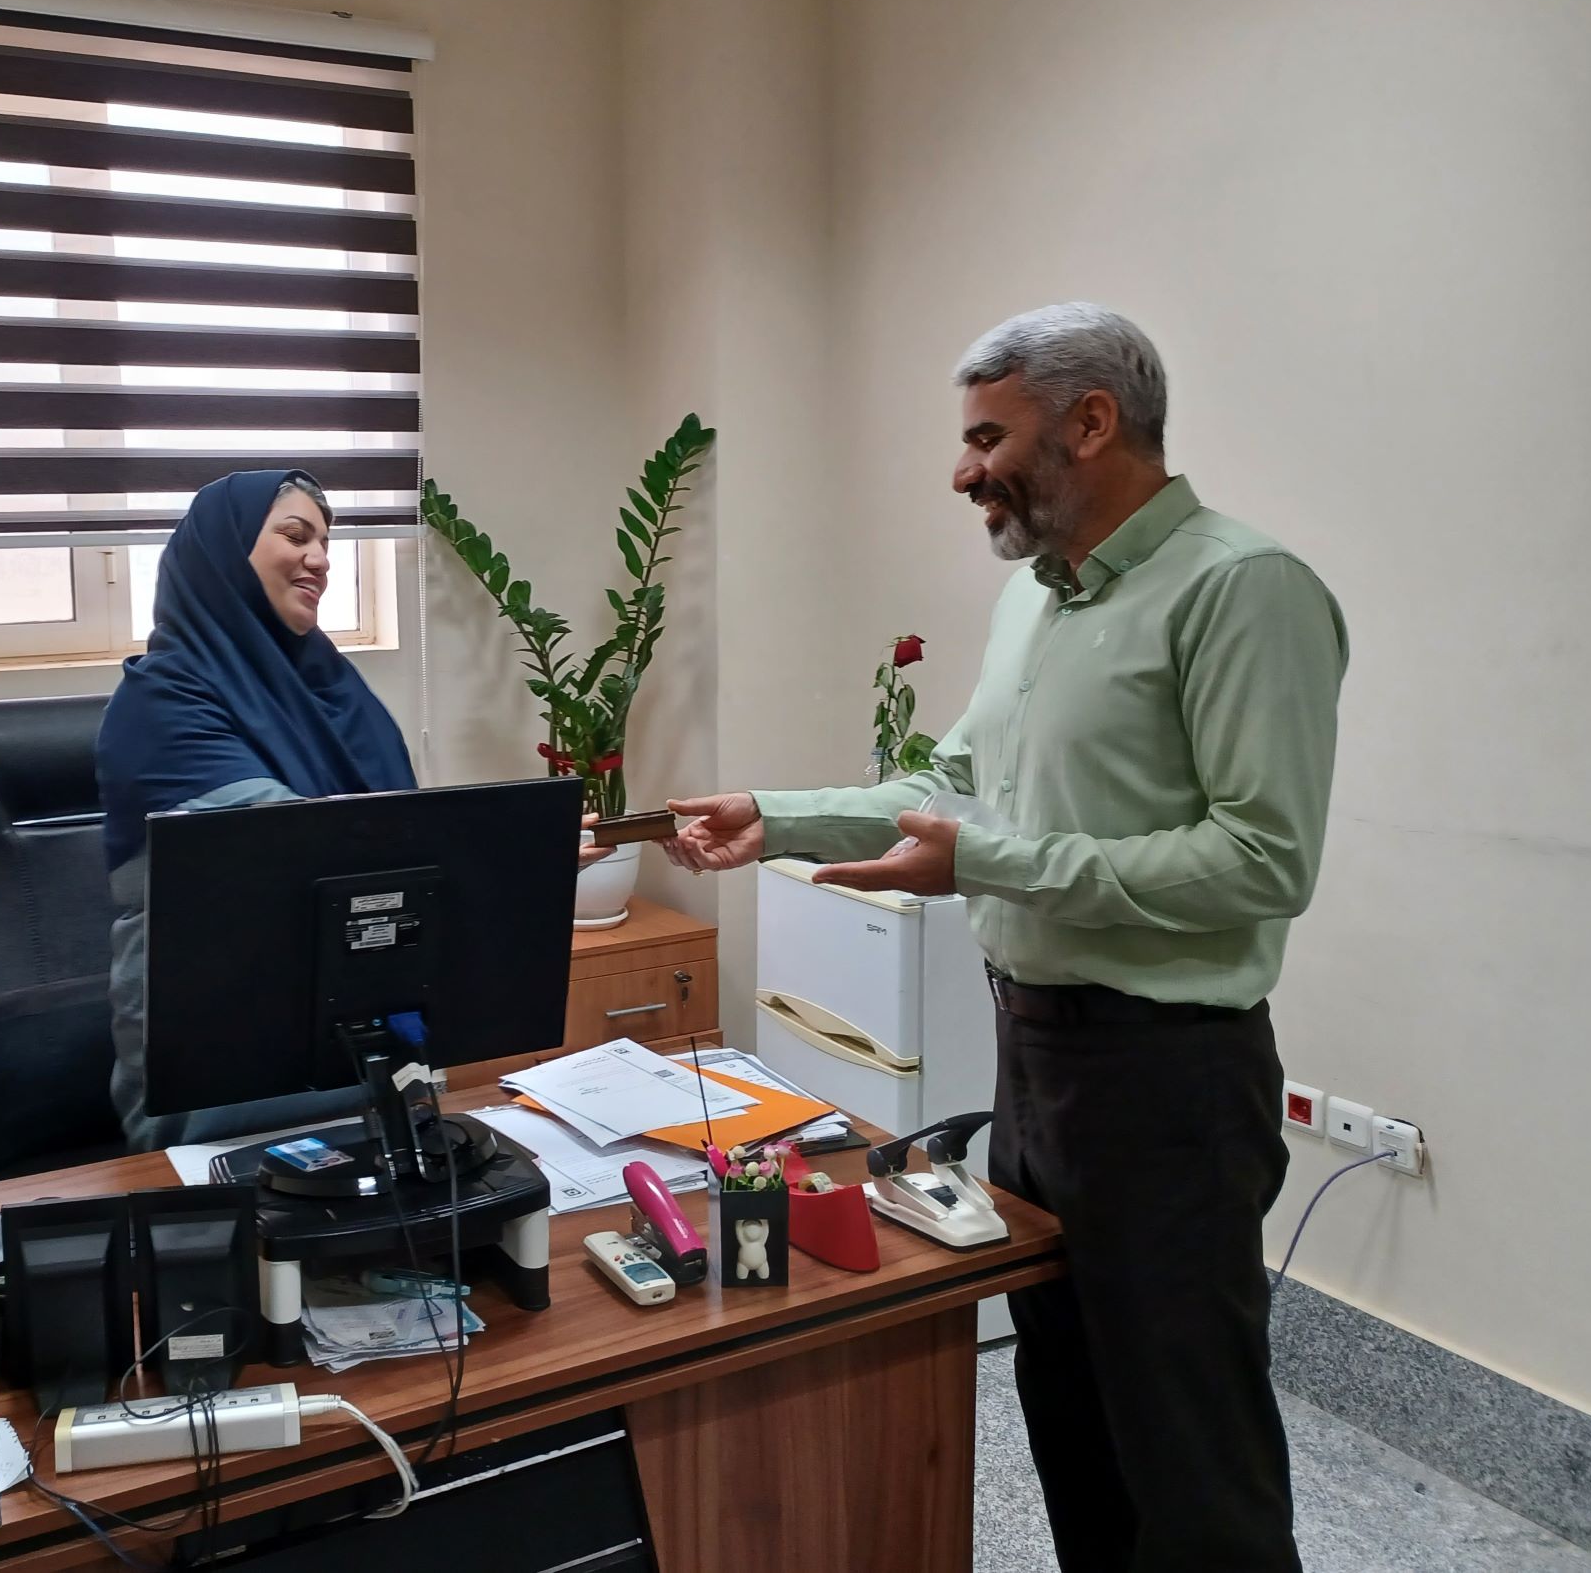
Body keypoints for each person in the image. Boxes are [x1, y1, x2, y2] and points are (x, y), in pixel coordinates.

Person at [665, 304, 1345, 1573]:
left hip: (1168, 1081)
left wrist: (987, 862)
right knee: (1071, 1425)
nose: (961, 471)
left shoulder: (1241, 589)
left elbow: (1262, 860)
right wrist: (776, 815)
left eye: (987, 437)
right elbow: (954, 784)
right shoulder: (1036, 601)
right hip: (1033, 1065)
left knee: (1192, 1464)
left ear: (1090, 423)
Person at [97, 468, 598, 1152]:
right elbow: (291, 854)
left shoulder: (337, 691)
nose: (319, 559)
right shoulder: (161, 701)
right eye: (295, 535)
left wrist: (523, 863)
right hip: (228, 1055)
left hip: (373, 1039)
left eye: (325, 543)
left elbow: (405, 865)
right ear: (224, 552)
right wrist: (503, 855)